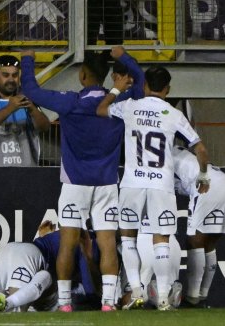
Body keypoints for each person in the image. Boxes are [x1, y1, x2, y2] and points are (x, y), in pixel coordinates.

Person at [19, 46, 144, 312]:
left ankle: (64, 303)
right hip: (107, 183)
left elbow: (30, 90)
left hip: (75, 184)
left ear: (82, 75)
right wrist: (124, 58)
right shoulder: (119, 102)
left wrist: (28, 60)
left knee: (68, 242)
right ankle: (108, 302)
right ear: (106, 75)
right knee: (108, 242)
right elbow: (142, 82)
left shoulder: (70, 102)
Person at [97, 66, 210, 310]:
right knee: (162, 241)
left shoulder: (130, 107)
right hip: (161, 184)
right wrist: (203, 176)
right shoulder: (173, 114)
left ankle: (137, 289)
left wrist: (117, 88)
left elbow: (101, 109)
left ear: (145, 86)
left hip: (132, 183)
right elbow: (201, 149)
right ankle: (162, 297)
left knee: (128, 237)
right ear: (167, 90)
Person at [173, 147, 225, 308]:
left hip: (206, 185)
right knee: (209, 243)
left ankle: (193, 296)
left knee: (194, 241)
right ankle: (203, 296)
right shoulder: (181, 152)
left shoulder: (166, 156)